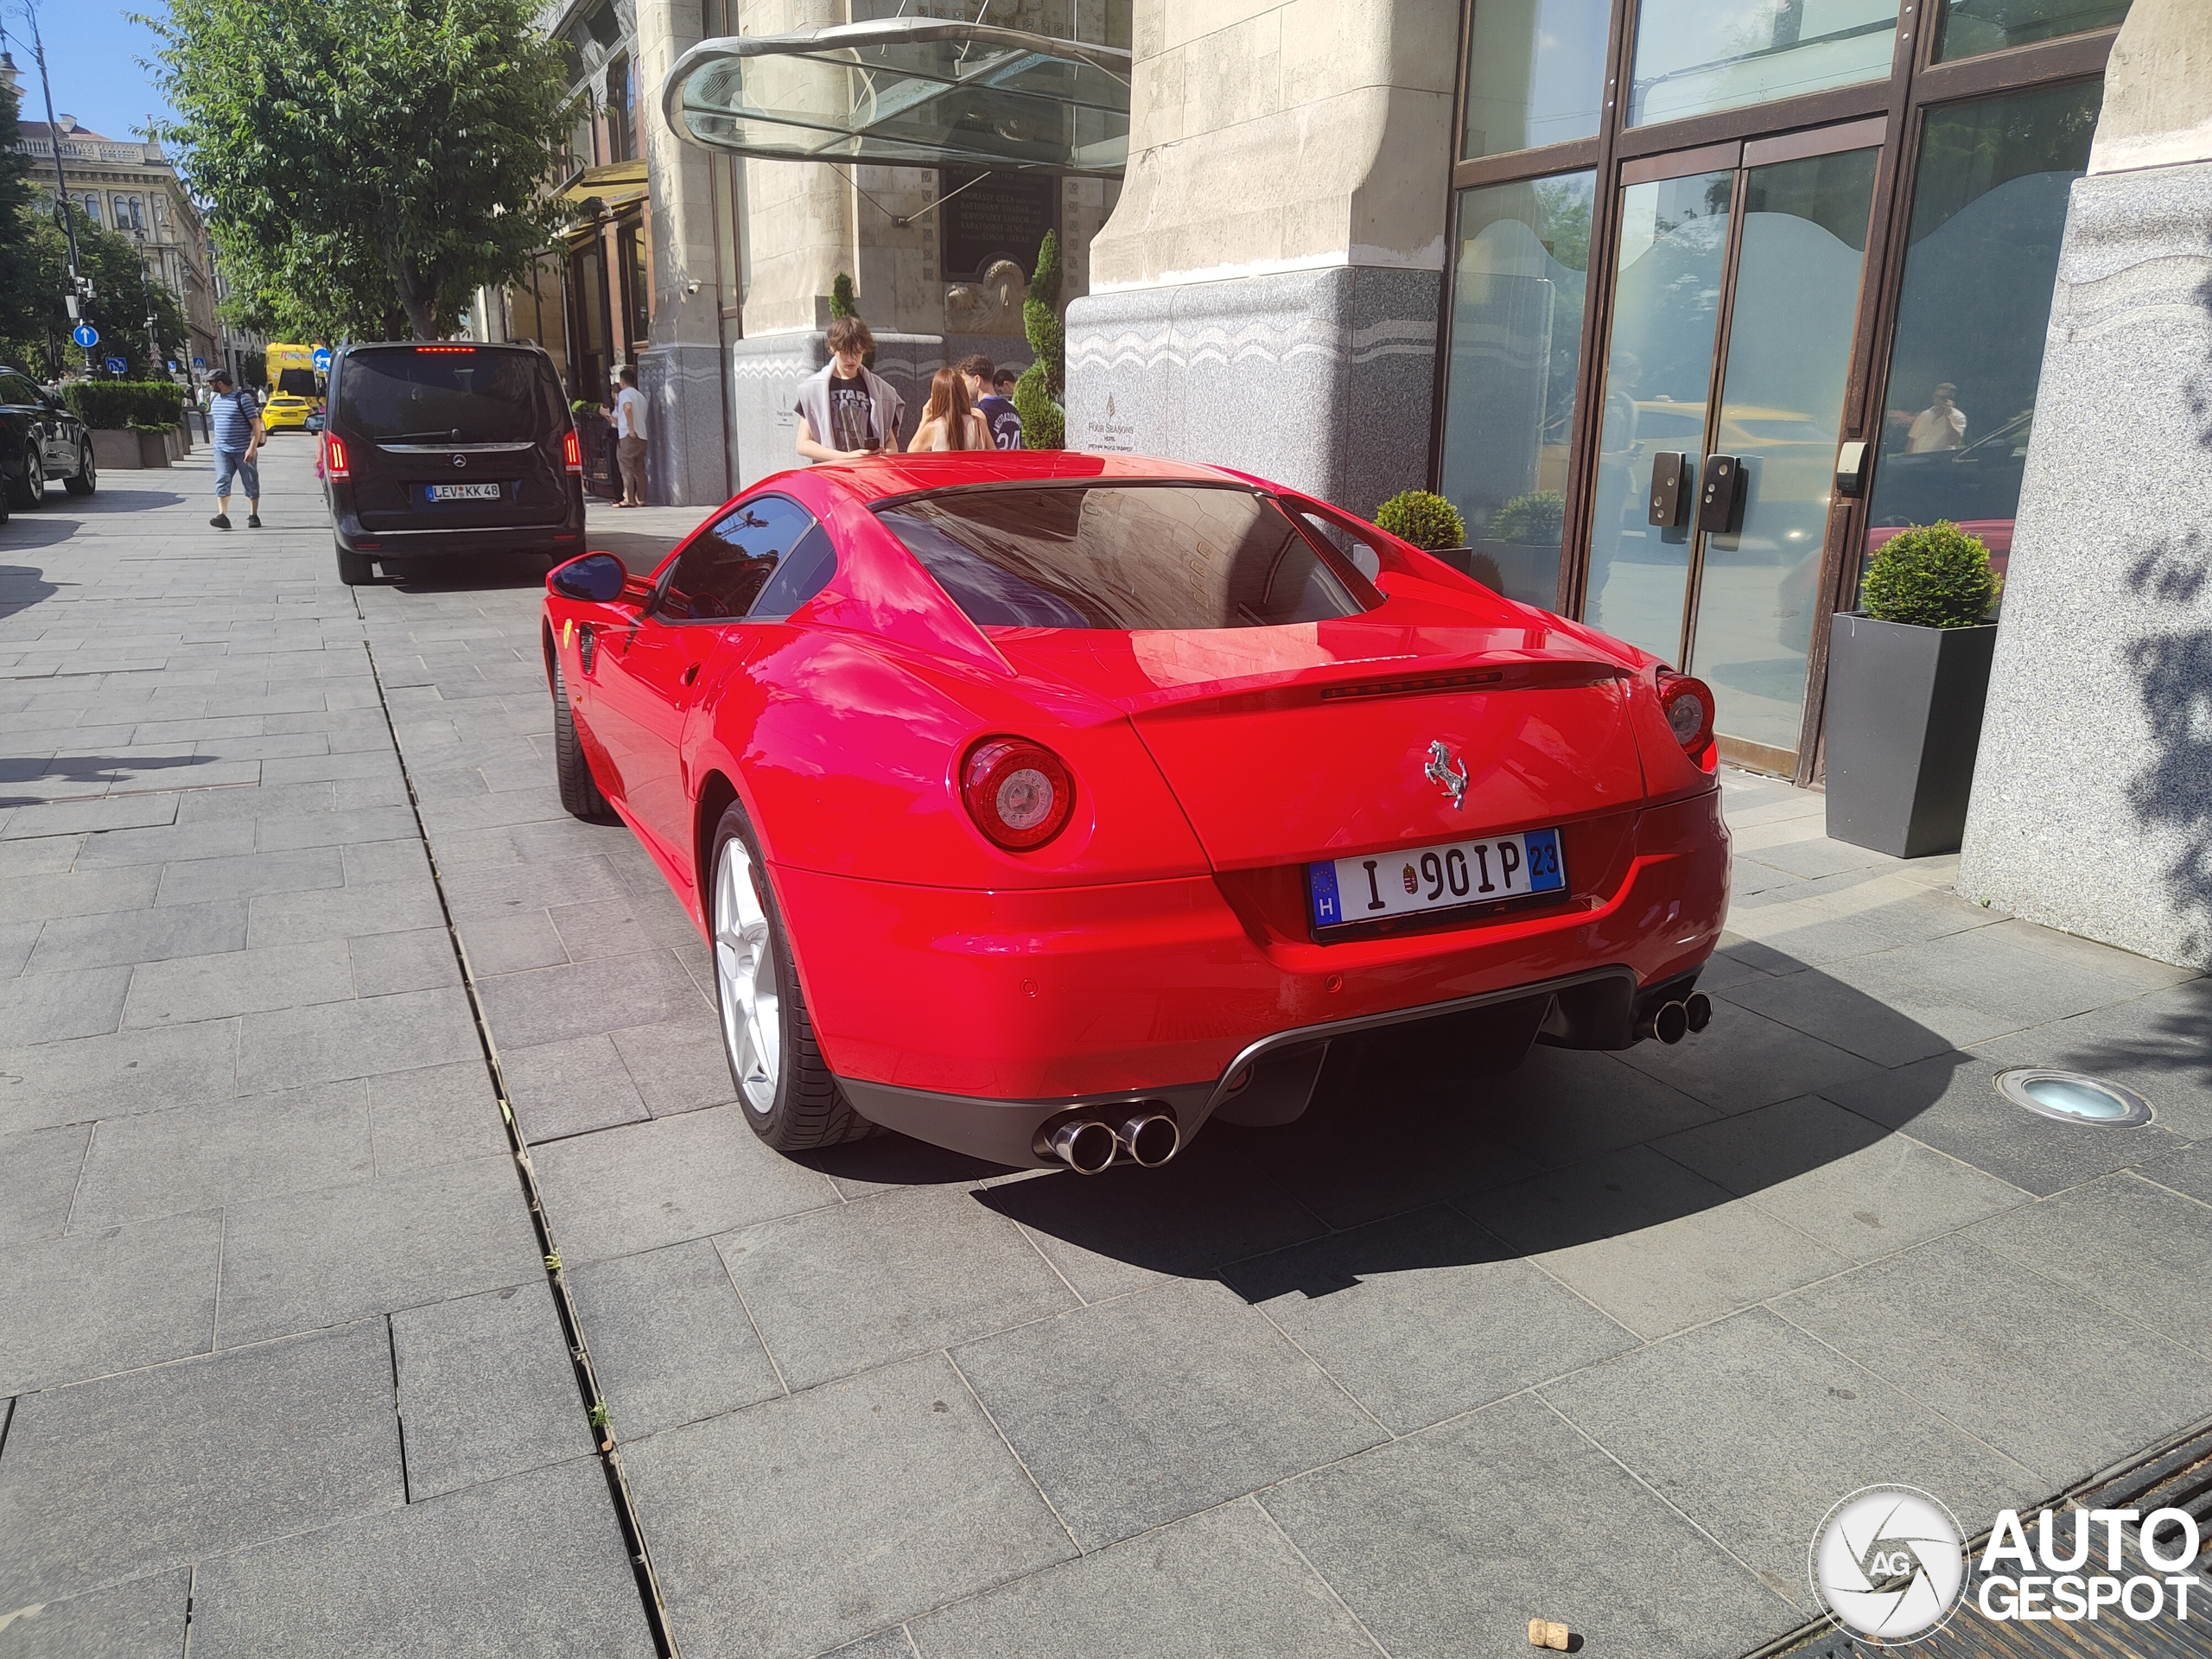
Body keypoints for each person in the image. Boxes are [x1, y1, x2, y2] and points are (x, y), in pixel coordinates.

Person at [795, 315, 904, 461]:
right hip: (832, 474)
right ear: (833, 348)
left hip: (868, 473)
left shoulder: (881, 390)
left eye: (857, 352)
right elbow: (803, 444)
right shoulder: (813, 389)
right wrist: (846, 458)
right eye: (845, 352)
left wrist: (885, 454)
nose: (851, 359)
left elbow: (891, 442)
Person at [207, 368, 263, 531]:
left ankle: (253, 515)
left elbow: (256, 425)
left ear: (220, 383)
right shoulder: (215, 400)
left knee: (250, 482)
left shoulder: (242, 399)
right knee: (222, 479)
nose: (210, 386)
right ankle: (222, 515)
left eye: (211, 383)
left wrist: (252, 448)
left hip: (243, 449)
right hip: (222, 450)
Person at [912, 366, 991, 453]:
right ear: (963, 392)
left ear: (936, 396)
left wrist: (924, 421)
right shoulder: (979, 424)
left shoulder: (932, 428)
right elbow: (994, 454)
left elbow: (910, 455)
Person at [959, 354, 1024, 450]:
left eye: (964, 381)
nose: (961, 386)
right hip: (1013, 463)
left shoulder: (979, 413)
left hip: (994, 464)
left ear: (977, 380)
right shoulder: (1012, 409)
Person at [610, 365, 648, 507]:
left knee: (626, 467)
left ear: (622, 381)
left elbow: (627, 407)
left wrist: (631, 429)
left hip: (628, 435)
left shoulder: (625, 394)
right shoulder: (641, 396)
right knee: (639, 468)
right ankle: (641, 498)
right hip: (642, 437)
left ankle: (629, 499)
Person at [1905, 382, 1967, 453]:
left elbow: (1952, 441)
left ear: (1950, 400)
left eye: (1942, 398)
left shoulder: (1958, 417)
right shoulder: (1924, 415)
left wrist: (1948, 417)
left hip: (1939, 460)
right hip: (1918, 459)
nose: (1937, 400)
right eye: (1936, 396)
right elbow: (1912, 439)